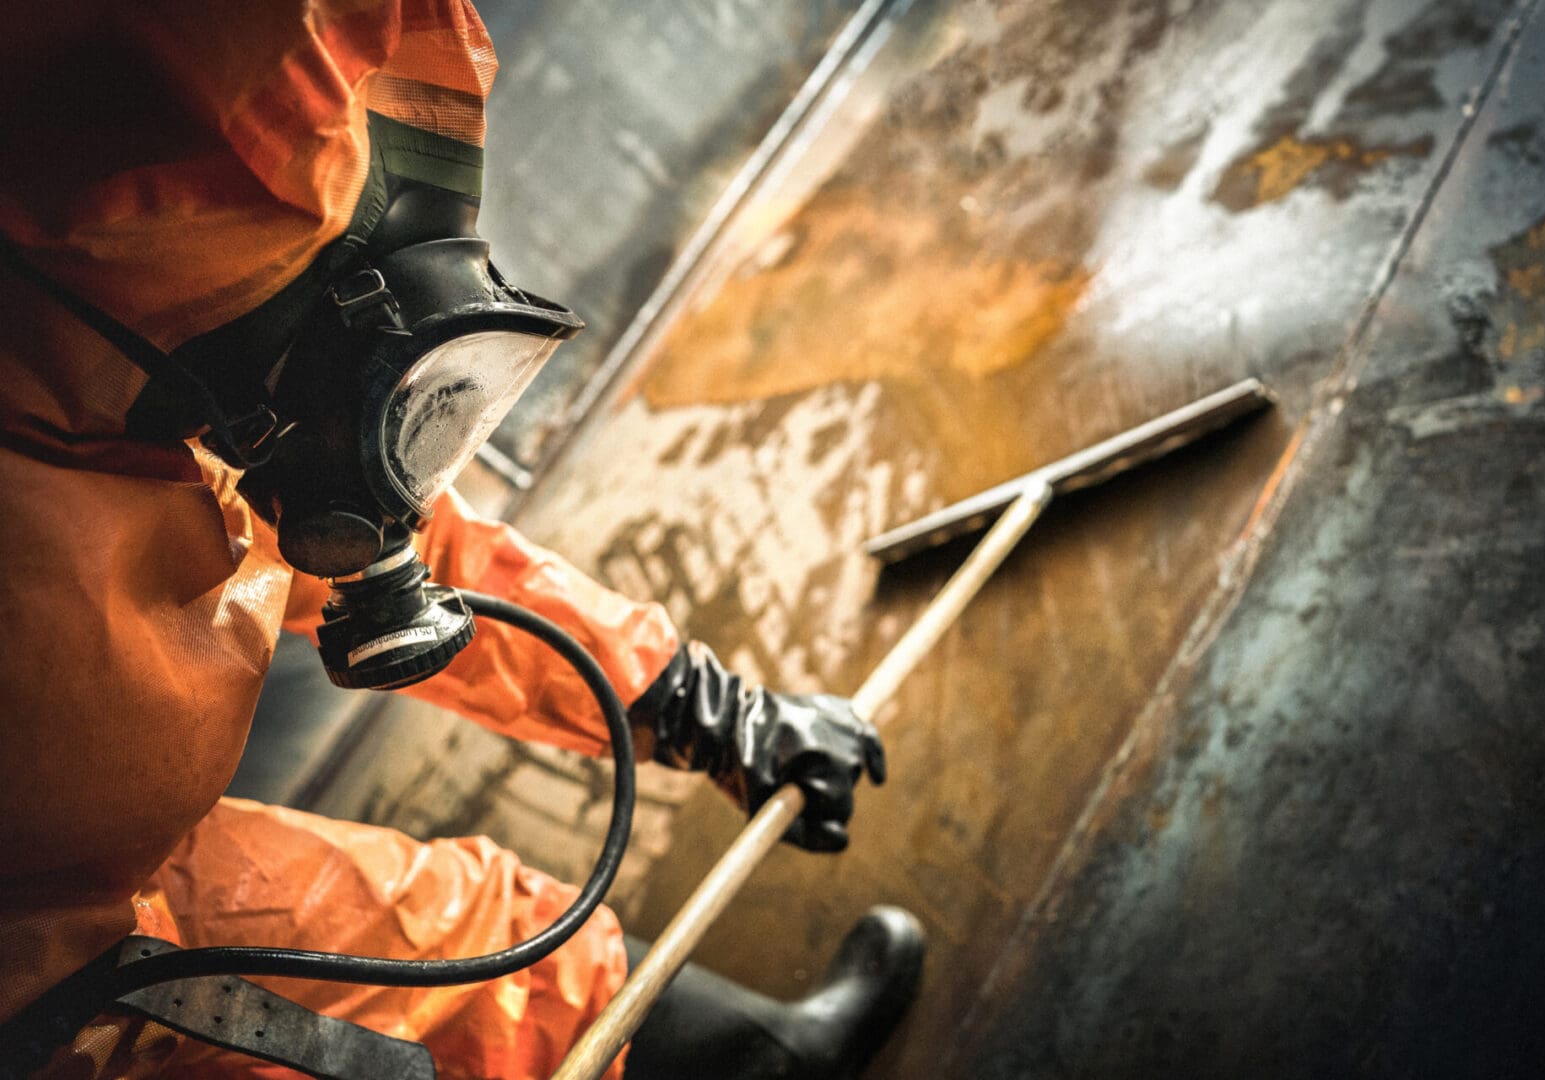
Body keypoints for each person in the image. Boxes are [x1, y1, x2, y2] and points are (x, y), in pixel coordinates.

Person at [0, 3, 922, 1078]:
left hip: (110, 859)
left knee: (473, 953)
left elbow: (356, 521)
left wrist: (697, 705)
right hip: (33, 989)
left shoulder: (144, 382)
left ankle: (769, 1061)